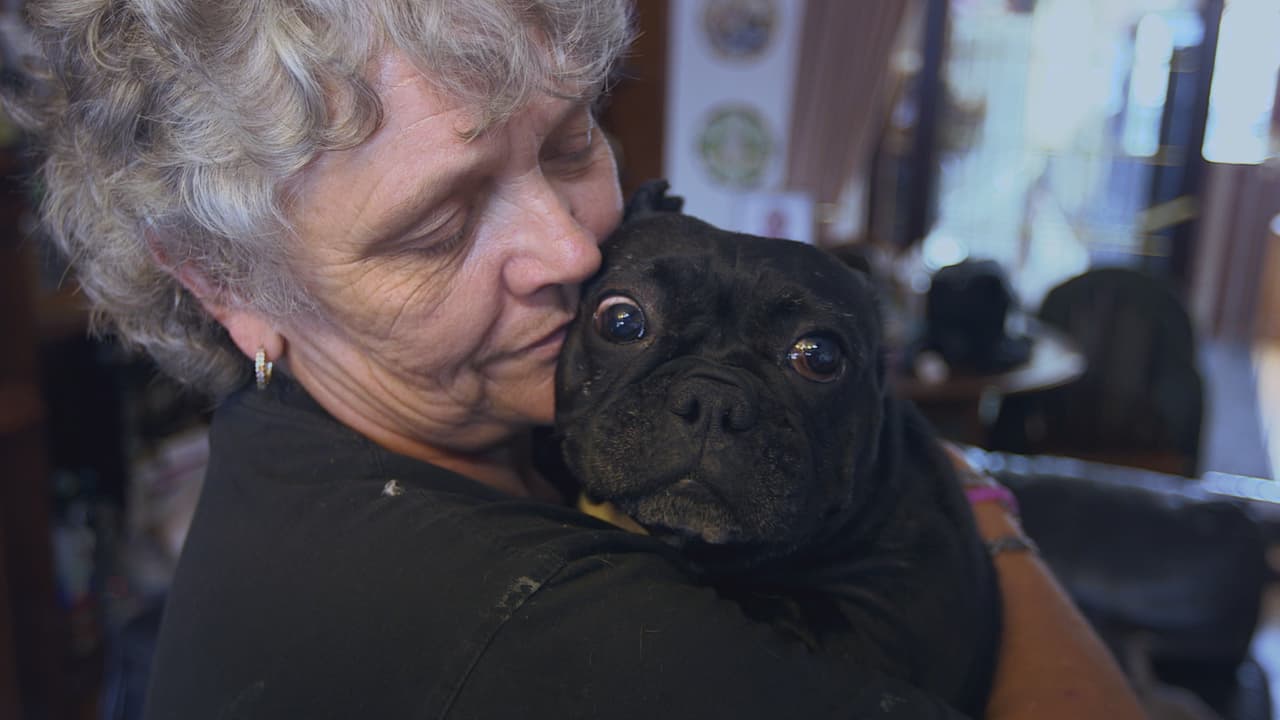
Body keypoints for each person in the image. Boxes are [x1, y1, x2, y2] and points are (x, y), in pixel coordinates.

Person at [10, 1, 1147, 718]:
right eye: (436, 226)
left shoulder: (323, 438)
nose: (566, 249)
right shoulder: (536, 636)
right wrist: (980, 509)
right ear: (226, 285)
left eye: (568, 142)